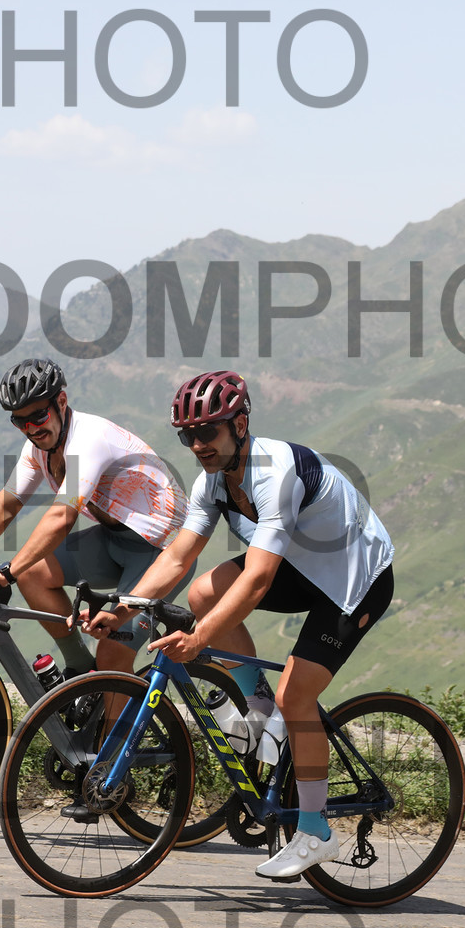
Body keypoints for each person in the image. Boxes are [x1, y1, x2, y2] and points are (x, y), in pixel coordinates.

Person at [84, 370, 396, 877]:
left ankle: (315, 830)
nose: (198, 445)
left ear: (241, 425)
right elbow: (178, 558)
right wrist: (121, 609)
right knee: (203, 592)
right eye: (188, 436)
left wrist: (198, 639)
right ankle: (258, 706)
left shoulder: (276, 474)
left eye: (208, 432)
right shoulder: (213, 482)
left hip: (354, 578)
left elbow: (255, 582)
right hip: (304, 566)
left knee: (297, 696)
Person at [0, 356, 190, 689]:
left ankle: (112, 717)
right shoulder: (39, 448)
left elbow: (61, 518)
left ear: (62, 402)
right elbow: (7, 503)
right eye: (20, 421)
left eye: (39, 416)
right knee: (33, 573)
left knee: (112, 652)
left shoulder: (89, 440)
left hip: (163, 550)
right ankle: (80, 671)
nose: (32, 428)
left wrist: (7, 572)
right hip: (116, 540)